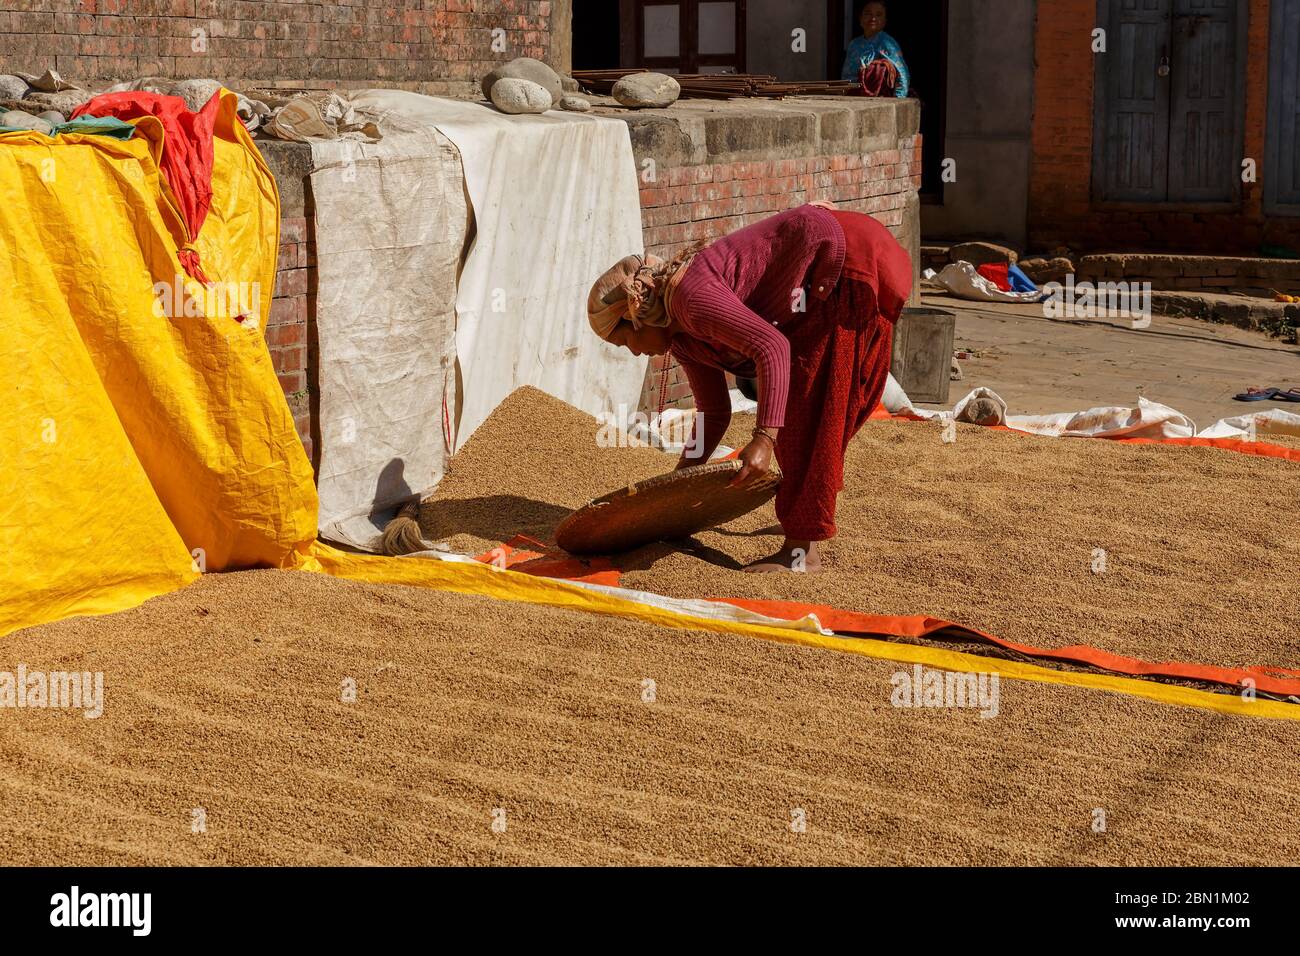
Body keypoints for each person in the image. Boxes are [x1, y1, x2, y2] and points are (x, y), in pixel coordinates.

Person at [586, 202, 913, 574]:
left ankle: (801, 552)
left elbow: (772, 347)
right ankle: (801, 522)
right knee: (811, 412)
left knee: (808, 411)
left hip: (846, 265)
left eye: (624, 340)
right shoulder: (683, 337)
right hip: (830, 275)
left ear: (636, 313)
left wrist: (763, 438)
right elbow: (714, 412)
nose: (632, 352)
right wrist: (678, 485)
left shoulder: (689, 299)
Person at [840, 0, 910, 98]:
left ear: (885, 21)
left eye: (879, 15)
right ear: (860, 19)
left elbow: (902, 75)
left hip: (880, 99)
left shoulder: (887, 43)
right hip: (855, 98)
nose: (873, 18)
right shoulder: (854, 44)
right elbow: (846, 77)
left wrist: (897, 101)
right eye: (868, 14)